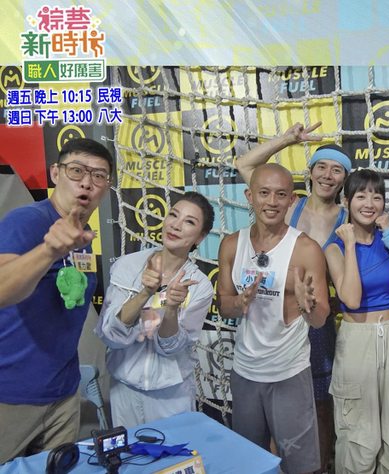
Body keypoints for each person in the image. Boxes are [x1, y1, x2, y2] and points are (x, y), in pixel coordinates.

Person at [236, 121, 350, 472]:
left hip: (317, 320)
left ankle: (319, 467)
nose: (328, 175)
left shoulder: (348, 218)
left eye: (337, 170)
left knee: (319, 407)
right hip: (274, 321)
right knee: (273, 412)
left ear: (345, 179)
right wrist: (286, 139)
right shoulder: (288, 205)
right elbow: (245, 165)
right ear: (310, 172)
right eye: (321, 167)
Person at [0, 138, 113, 463]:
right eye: (77, 171)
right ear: (55, 173)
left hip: (63, 395)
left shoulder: (81, 236)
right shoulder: (27, 221)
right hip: (11, 395)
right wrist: (48, 250)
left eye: (98, 175)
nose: (86, 182)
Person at [217, 163, 331, 474]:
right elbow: (224, 306)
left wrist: (308, 307)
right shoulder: (231, 245)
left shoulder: (306, 249)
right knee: (249, 465)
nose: (272, 202)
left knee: (300, 467)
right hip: (245, 372)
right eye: (264, 193)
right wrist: (239, 302)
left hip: (289, 372)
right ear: (249, 196)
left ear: (292, 200)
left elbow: (320, 319)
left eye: (281, 195)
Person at [324, 169, 389, 474]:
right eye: (361, 195)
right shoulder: (334, 248)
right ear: (346, 201)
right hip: (356, 340)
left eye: (377, 196)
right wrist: (351, 245)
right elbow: (351, 299)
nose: (369, 203)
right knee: (359, 437)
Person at [96, 192, 214, 427]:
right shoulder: (127, 265)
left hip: (171, 395)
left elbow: (171, 348)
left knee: (174, 450)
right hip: (124, 390)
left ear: (200, 237)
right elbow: (110, 335)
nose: (176, 225)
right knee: (129, 450)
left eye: (189, 222)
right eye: (174, 215)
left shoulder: (200, 285)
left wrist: (171, 309)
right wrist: (145, 293)